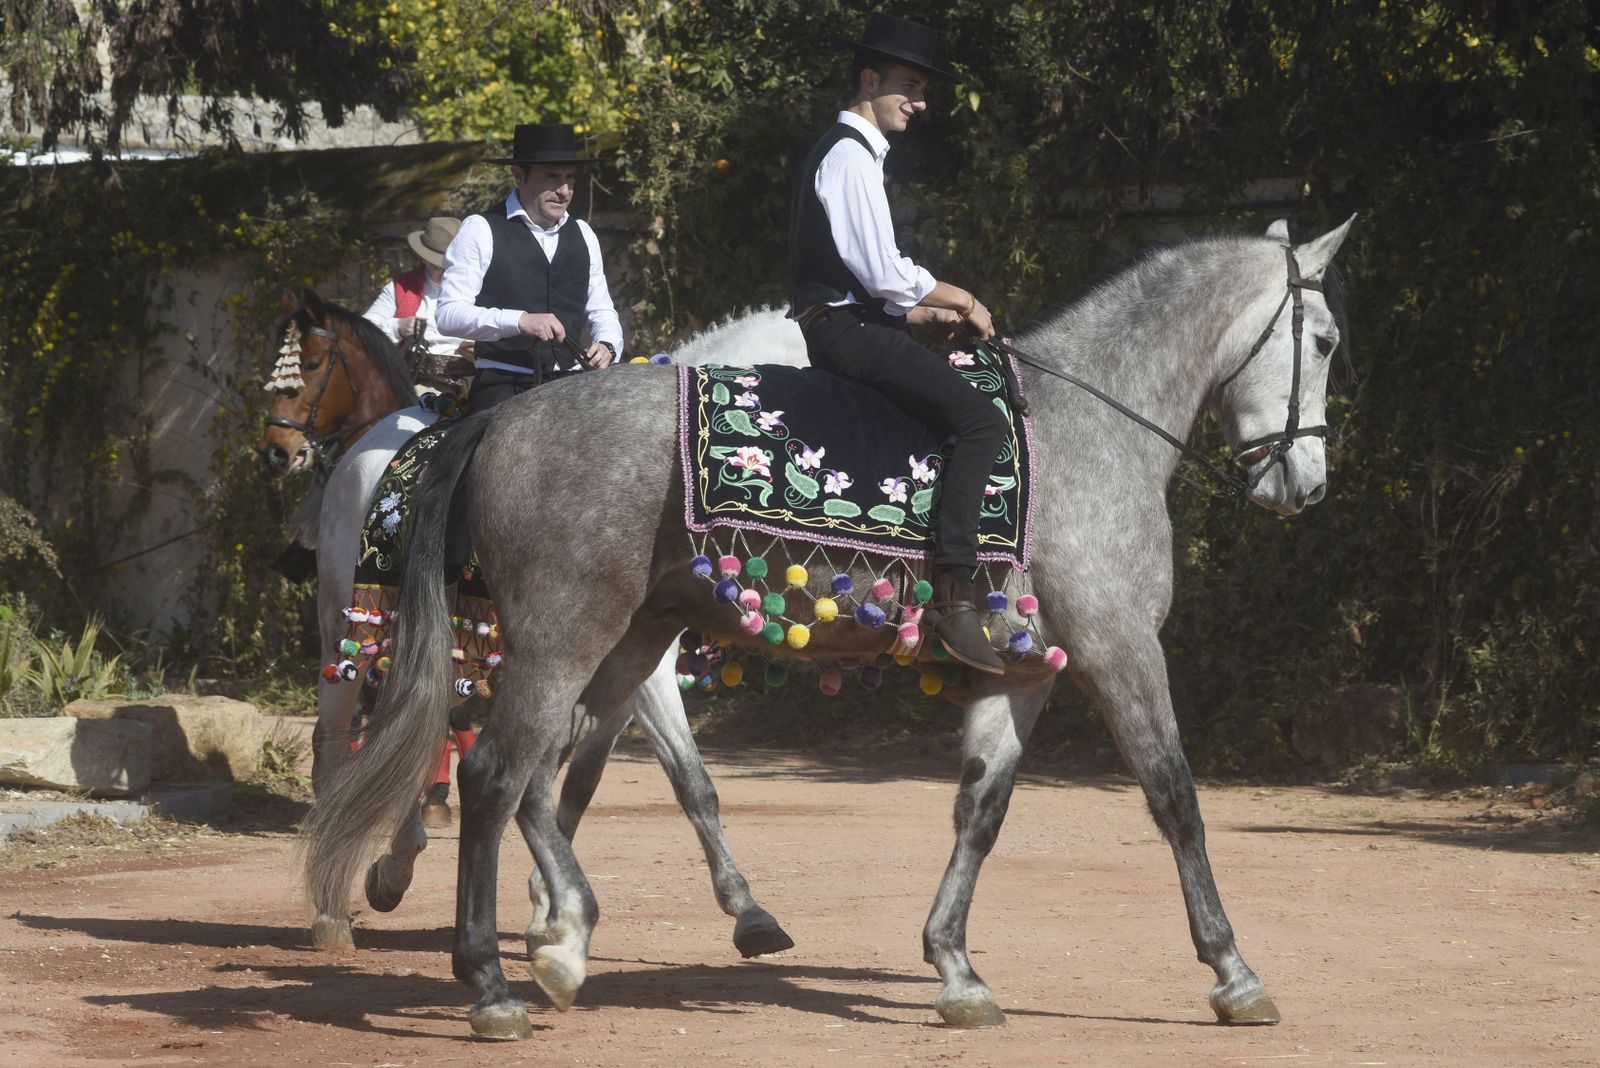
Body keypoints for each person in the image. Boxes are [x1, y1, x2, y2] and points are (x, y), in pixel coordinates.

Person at [789, 12, 1008, 675]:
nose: (919, 102)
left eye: (921, 89)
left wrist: (921, 321)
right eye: (908, 86)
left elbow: (873, 287)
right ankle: (954, 600)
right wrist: (963, 299)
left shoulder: (851, 153)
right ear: (869, 79)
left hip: (856, 325)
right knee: (980, 422)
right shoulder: (850, 156)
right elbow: (884, 274)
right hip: (846, 336)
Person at [436, 122, 624, 413]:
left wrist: (609, 344)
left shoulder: (584, 234)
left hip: (572, 384)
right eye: (552, 178)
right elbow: (448, 315)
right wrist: (519, 320)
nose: (564, 191)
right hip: (502, 385)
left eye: (570, 178)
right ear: (519, 175)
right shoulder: (481, 229)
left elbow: (601, 310)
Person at [362, 215, 466, 357]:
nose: (444, 272)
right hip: (411, 374)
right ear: (424, 259)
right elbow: (364, 330)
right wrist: (397, 328)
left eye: (450, 267)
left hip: (468, 374)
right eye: (437, 266)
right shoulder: (402, 287)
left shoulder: (480, 290)